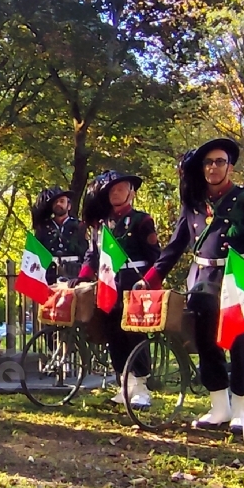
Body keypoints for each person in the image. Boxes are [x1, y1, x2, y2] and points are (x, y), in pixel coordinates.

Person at [137, 138, 244, 433]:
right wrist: (149, 280)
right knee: (206, 342)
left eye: (219, 162)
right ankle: (219, 406)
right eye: (208, 162)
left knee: (237, 341)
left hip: (236, 277)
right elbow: (175, 246)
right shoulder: (194, 203)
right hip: (201, 280)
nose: (213, 167)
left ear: (229, 167)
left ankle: (242, 406)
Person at [77, 170, 160, 407]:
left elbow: (155, 256)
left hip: (134, 283)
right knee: (114, 335)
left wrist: (148, 283)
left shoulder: (142, 221)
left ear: (131, 193)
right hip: (109, 284)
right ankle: (125, 384)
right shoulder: (102, 224)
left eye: (121, 189)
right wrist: (83, 278)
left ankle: (142, 387)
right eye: (112, 190)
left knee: (134, 334)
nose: (116, 194)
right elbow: (93, 255)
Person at [32, 187, 84, 284]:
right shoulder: (43, 228)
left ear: (69, 206)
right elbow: (37, 254)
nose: (58, 204)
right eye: (55, 202)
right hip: (49, 276)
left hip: (73, 274)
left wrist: (82, 276)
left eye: (62, 201)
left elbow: (85, 253)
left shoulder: (80, 226)